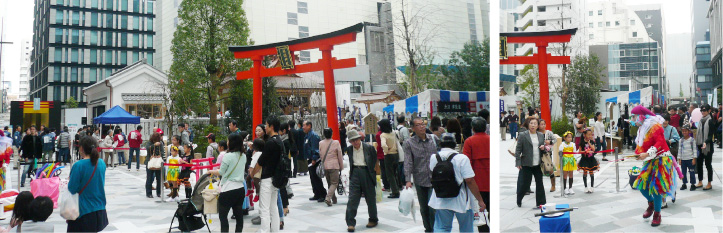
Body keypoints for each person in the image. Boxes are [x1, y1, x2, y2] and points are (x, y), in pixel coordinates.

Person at [630, 105, 681, 227]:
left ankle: (657, 214)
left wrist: (647, 153)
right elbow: (641, 146)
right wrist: (638, 154)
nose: (632, 119)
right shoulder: (641, 128)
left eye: (634, 116)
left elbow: (659, 142)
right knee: (641, 186)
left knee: (657, 189)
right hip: (649, 160)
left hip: (661, 160)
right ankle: (651, 204)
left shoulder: (655, 126)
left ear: (641, 116)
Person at [429, 134, 487, 233]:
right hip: (461, 200)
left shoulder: (434, 157)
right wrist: (480, 200)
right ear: (454, 144)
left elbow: (432, 172)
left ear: (440, 144)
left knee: (442, 227)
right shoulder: (462, 158)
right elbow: (470, 180)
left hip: (441, 198)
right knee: (466, 228)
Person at [402, 117, 440, 233]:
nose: (422, 127)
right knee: (424, 208)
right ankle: (427, 228)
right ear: (413, 128)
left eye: (423, 124)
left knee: (432, 207)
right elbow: (408, 162)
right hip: (420, 179)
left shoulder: (433, 139)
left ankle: (435, 229)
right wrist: (408, 180)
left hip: (434, 179)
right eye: (418, 125)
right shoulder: (409, 143)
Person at [67, 136, 108, 232]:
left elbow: (72, 189)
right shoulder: (101, 163)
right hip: (99, 209)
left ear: (81, 148)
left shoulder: (78, 165)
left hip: (83, 211)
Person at [209, 133, 246, 233]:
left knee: (223, 216)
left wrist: (210, 171)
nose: (227, 142)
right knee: (239, 216)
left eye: (228, 140)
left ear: (232, 143)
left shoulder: (227, 156)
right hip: (240, 189)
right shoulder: (243, 156)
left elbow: (220, 172)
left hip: (228, 189)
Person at [344, 129, 378, 232]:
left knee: (370, 198)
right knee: (352, 198)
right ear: (350, 142)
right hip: (355, 173)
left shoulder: (369, 148)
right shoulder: (349, 149)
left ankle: (373, 219)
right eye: (352, 141)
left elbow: (374, 160)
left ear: (360, 138)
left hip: (367, 172)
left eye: (356, 139)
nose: (355, 142)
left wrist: (374, 173)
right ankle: (350, 223)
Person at [461, 117, 490, 232]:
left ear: (472, 128)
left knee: (481, 211)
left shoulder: (469, 141)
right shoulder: (490, 139)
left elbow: (466, 163)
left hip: (477, 183)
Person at [255, 115, 283, 233]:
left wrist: (252, 173)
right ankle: (274, 230)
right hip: (276, 178)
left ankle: (264, 230)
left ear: (271, 126)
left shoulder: (270, 143)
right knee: (273, 208)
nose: (265, 128)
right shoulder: (280, 141)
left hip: (267, 178)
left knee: (264, 209)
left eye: (266, 125)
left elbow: (261, 161)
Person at [514, 118, 546, 208]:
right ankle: (519, 198)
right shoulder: (523, 135)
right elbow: (518, 150)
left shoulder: (540, 135)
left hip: (537, 163)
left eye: (535, 123)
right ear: (528, 125)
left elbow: (543, 148)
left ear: (537, 125)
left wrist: (544, 148)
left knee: (539, 183)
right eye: (531, 123)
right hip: (526, 163)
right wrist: (518, 162)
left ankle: (541, 203)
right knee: (524, 184)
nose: (533, 125)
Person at [320, 128, 344, 206]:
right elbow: (340, 155)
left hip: (325, 166)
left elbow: (321, 154)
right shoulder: (336, 142)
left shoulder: (321, 143)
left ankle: (334, 199)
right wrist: (341, 166)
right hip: (334, 165)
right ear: (332, 133)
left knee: (330, 183)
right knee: (334, 183)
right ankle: (328, 198)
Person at [303, 121, 326, 202]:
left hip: (315, 160)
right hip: (309, 159)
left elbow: (315, 148)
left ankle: (322, 194)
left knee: (316, 177)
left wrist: (314, 159)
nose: (303, 127)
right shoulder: (307, 135)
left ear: (309, 126)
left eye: (304, 125)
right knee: (312, 177)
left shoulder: (313, 136)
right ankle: (316, 193)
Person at [695, 104, 715, 190]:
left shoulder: (710, 121)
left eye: (704, 110)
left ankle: (709, 183)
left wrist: (705, 142)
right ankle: (700, 181)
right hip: (700, 145)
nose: (703, 112)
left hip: (708, 147)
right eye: (702, 111)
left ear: (709, 111)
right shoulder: (700, 121)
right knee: (699, 164)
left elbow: (711, 135)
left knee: (708, 164)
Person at [378, 119, 400, 198]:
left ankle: (395, 191)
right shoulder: (393, 132)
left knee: (390, 175)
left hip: (389, 155)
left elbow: (383, 145)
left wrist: (386, 151)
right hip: (396, 154)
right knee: (395, 173)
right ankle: (397, 188)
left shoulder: (383, 135)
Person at [538, 119, 558, 192]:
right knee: (538, 169)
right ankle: (540, 186)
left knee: (549, 168)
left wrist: (549, 142)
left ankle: (553, 185)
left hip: (547, 153)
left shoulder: (549, 133)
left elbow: (555, 140)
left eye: (544, 124)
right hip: (538, 153)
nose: (543, 126)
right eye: (541, 124)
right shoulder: (536, 133)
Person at [145, 132, 165, 198]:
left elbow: (162, 152)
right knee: (149, 178)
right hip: (150, 162)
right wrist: (154, 145)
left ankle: (159, 192)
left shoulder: (161, 143)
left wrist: (162, 158)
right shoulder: (149, 143)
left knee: (159, 179)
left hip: (158, 163)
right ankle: (149, 193)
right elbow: (148, 149)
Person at [678, 126, 697, 191]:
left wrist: (694, 158)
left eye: (686, 131)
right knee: (683, 173)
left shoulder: (692, 140)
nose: (684, 132)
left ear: (689, 131)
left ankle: (693, 184)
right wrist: (679, 159)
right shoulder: (681, 140)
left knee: (692, 172)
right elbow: (679, 150)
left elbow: (694, 149)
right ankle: (684, 183)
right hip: (683, 159)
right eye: (683, 131)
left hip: (690, 159)